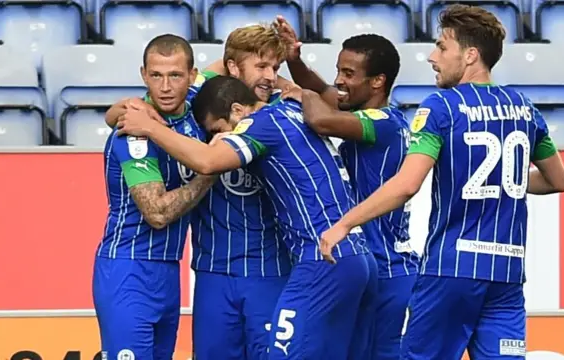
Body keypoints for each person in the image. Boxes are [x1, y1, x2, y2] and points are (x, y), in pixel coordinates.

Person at [320, 5, 564, 360]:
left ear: (470, 55)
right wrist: (504, 176)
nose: (431, 57)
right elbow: (556, 179)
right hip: (508, 273)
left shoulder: (441, 107)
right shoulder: (525, 108)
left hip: (451, 270)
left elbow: (407, 185)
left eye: (441, 47)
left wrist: (344, 224)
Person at [116, 75, 377, 360]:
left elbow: (207, 161)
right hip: (357, 256)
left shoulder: (261, 123)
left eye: (219, 129)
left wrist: (150, 128)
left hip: (321, 255)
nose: (219, 138)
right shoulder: (290, 110)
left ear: (239, 110)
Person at [107, 25, 293, 360]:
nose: (272, 78)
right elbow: (131, 110)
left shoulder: (284, 111)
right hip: (209, 274)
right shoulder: (200, 101)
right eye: (262, 67)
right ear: (233, 68)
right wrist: (126, 108)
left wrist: (300, 79)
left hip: (271, 270)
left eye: (276, 69)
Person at [274, 20, 419, 359]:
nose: (339, 80)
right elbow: (327, 92)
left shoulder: (384, 123)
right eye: (339, 69)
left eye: (349, 73)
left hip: (390, 272)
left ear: (378, 81)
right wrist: (294, 61)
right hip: (364, 267)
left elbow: (321, 118)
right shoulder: (364, 111)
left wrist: (304, 95)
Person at [92, 34, 216, 360]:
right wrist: (210, 171)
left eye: (175, 75)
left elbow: (237, 65)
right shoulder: (133, 128)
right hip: (128, 271)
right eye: (156, 75)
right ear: (143, 75)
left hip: (169, 273)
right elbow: (157, 213)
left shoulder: (193, 112)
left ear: (192, 76)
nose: (164, 86)